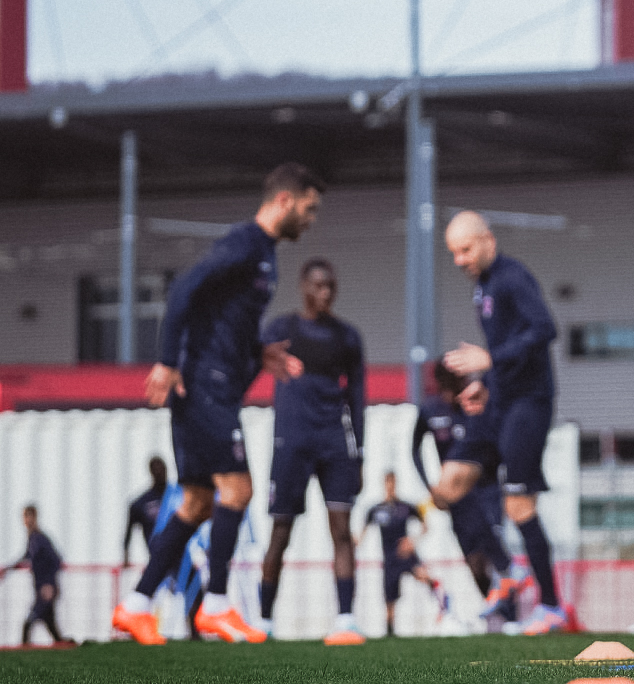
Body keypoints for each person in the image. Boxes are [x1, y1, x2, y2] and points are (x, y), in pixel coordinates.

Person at [111, 162, 324, 645]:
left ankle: (136, 604)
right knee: (238, 491)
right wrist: (167, 361)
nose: (312, 220)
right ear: (285, 201)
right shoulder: (245, 243)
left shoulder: (264, 253)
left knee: (198, 502)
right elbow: (186, 289)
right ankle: (217, 604)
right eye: (310, 209)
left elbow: (227, 317)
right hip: (203, 385)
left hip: (215, 384)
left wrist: (258, 352)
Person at [432, 210, 567, 634]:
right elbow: (504, 349)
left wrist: (491, 360)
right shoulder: (483, 287)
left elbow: (545, 329)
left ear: (487, 240)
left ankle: (550, 606)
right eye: (453, 253)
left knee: (518, 504)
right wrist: (483, 382)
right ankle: (508, 570)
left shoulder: (512, 277)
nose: (459, 260)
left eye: (466, 249)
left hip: (528, 403)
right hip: (497, 402)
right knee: (448, 485)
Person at [258, 258, 367, 645]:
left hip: (334, 442)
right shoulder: (281, 329)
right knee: (281, 530)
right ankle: (264, 620)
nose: (326, 293)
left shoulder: (347, 336)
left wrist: (360, 453)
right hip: (292, 440)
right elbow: (249, 361)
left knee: (341, 529)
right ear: (304, 286)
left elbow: (356, 395)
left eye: (331, 287)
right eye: (319, 286)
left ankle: (346, 618)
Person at [412, 360, 511, 599]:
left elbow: (498, 444)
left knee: (494, 553)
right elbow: (413, 450)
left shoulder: (476, 404)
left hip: (485, 491)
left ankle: (512, 614)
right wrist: (432, 487)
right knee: (473, 561)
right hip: (457, 501)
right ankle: (497, 613)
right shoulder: (430, 409)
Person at [360, 471, 447, 637]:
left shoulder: (406, 507)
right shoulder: (376, 509)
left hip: (406, 555)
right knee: (390, 601)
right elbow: (361, 535)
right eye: (387, 482)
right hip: (389, 558)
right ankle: (390, 633)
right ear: (384, 484)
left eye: (393, 482)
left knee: (427, 577)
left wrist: (411, 541)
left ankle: (444, 611)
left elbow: (425, 526)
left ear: (396, 483)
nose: (390, 486)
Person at [9, 505, 71, 646]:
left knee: (29, 622)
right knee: (52, 627)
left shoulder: (40, 538)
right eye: (24, 517)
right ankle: (67, 646)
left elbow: (56, 560)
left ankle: (23, 654)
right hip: (40, 589)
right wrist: (8, 569)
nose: (26, 520)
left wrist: (49, 584)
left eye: (28, 516)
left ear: (34, 517)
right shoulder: (32, 539)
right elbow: (25, 557)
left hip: (46, 589)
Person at [123, 457, 171, 567]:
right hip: (157, 558)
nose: (159, 473)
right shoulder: (141, 503)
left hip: (182, 557)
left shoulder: (179, 497)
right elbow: (128, 531)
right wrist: (126, 554)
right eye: (156, 470)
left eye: (162, 469)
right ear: (151, 472)